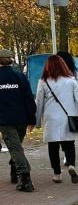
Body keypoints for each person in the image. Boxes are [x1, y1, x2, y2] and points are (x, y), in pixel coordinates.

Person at [35, 55, 78, 184]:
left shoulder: (43, 81)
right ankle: (71, 165)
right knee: (69, 145)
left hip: (51, 118)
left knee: (53, 147)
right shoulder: (71, 81)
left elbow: (39, 102)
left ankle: (57, 174)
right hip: (69, 117)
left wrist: (37, 122)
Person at [0, 49, 36, 192]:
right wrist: (32, 118)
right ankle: (16, 170)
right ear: (11, 60)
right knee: (16, 147)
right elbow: (28, 98)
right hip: (21, 118)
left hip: (5, 120)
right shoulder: (19, 77)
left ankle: (25, 179)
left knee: (15, 148)